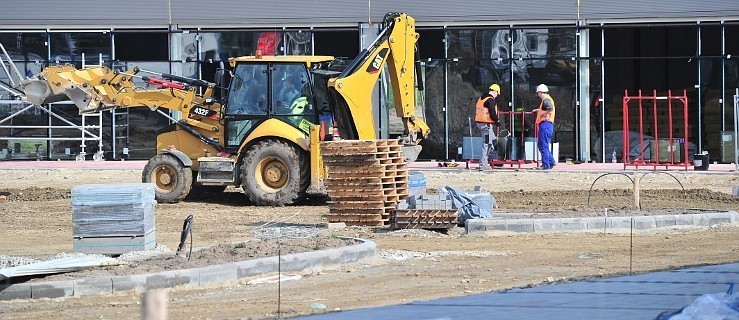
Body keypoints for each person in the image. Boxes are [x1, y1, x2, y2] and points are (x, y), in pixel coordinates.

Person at [474, 84, 501, 171]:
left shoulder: (482, 98)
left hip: (481, 123)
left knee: (492, 140)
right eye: (497, 93)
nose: (497, 95)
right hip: (486, 125)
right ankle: (483, 164)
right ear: (495, 91)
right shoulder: (490, 100)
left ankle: (488, 160)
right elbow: (492, 113)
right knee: (486, 144)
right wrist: (497, 121)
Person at [532, 84, 556, 170]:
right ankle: (551, 161)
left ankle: (546, 165)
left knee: (543, 145)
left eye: (538, 92)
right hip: (547, 124)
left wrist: (542, 113)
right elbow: (547, 109)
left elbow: (549, 108)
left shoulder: (546, 100)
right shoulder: (547, 99)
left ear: (540, 92)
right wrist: (539, 110)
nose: (537, 94)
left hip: (545, 124)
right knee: (543, 145)